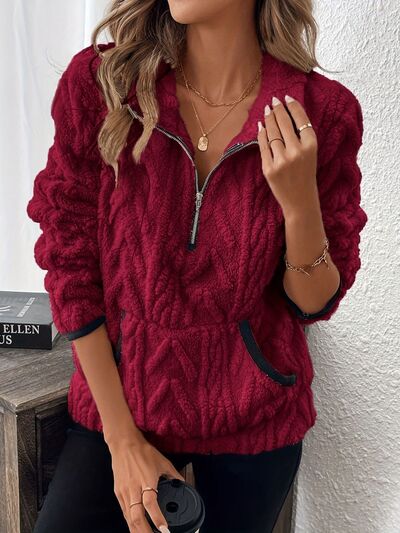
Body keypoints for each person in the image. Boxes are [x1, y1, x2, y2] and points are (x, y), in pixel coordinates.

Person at [26, 1, 368, 532]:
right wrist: (122, 440)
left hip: (253, 419)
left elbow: (313, 303)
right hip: (120, 407)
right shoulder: (103, 86)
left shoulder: (321, 112)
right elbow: (68, 261)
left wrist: (300, 204)